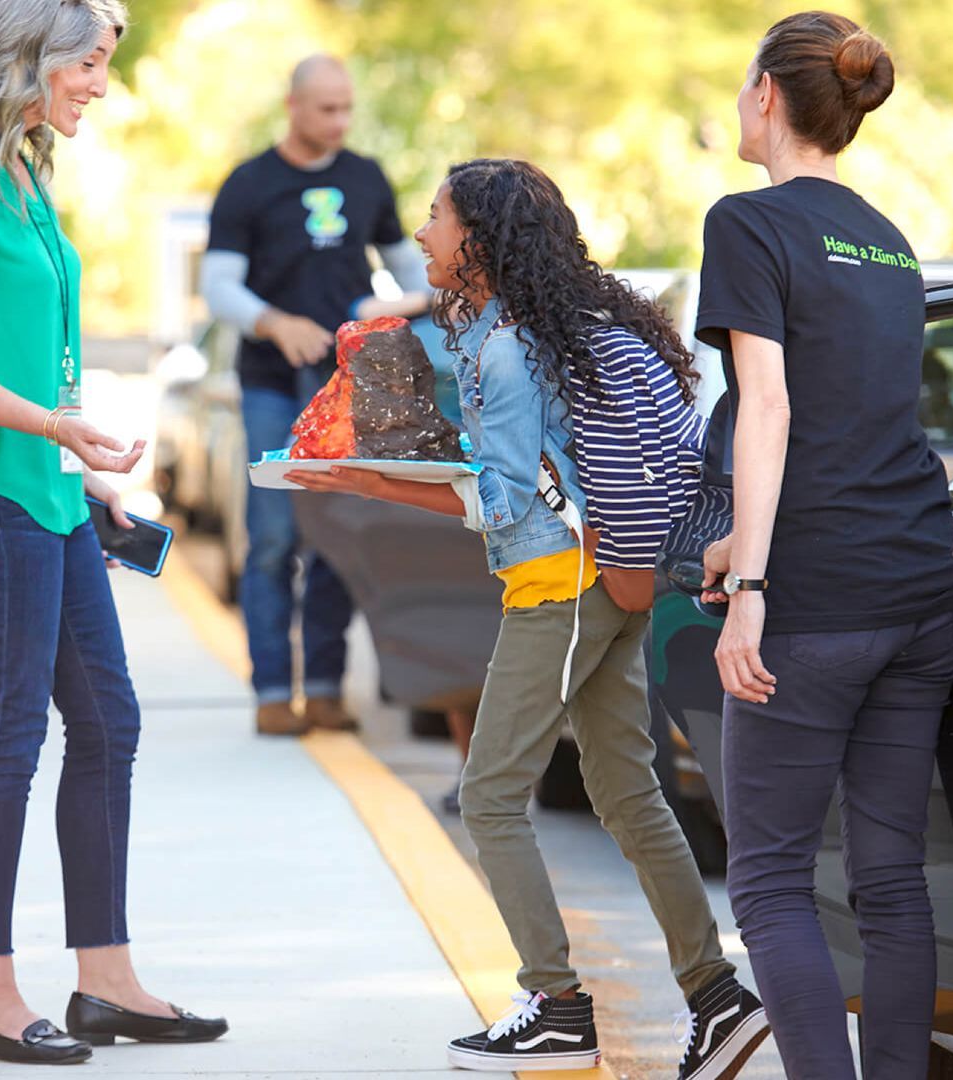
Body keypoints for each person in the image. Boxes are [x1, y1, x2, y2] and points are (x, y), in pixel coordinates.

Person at [293, 158, 768, 1078]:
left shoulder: (509, 347)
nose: (423, 233)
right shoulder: (549, 328)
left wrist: (375, 482)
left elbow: (509, 504)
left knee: (490, 794)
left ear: (477, 241)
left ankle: (554, 1003)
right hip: (616, 578)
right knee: (628, 792)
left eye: (436, 218)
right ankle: (718, 998)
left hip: (562, 591)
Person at [0, 0, 225, 1065]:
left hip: (41, 487)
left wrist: (76, 471)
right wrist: (55, 429)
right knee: (9, 734)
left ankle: (107, 980)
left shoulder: (25, 174)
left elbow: (30, 347)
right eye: (89, 63)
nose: (100, 84)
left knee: (110, 722)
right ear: (27, 59)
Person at [696, 12, 953, 1077]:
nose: (734, 102)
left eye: (738, 86)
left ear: (768, 93)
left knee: (767, 884)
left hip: (813, 602)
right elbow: (862, 421)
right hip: (919, 588)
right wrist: (741, 552)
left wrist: (752, 581)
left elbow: (769, 409)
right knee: (891, 879)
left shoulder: (748, 223)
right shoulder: (885, 235)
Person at [199, 54, 432, 736]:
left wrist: (403, 306)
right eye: (326, 108)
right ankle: (273, 689)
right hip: (272, 382)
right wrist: (276, 323)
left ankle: (326, 687)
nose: (339, 120)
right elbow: (219, 286)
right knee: (272, 539)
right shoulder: (249, 184)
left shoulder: (365, 178)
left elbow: (408, 268)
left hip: (350, 385)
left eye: (346, 108)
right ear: (293, 105)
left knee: (337, 537)